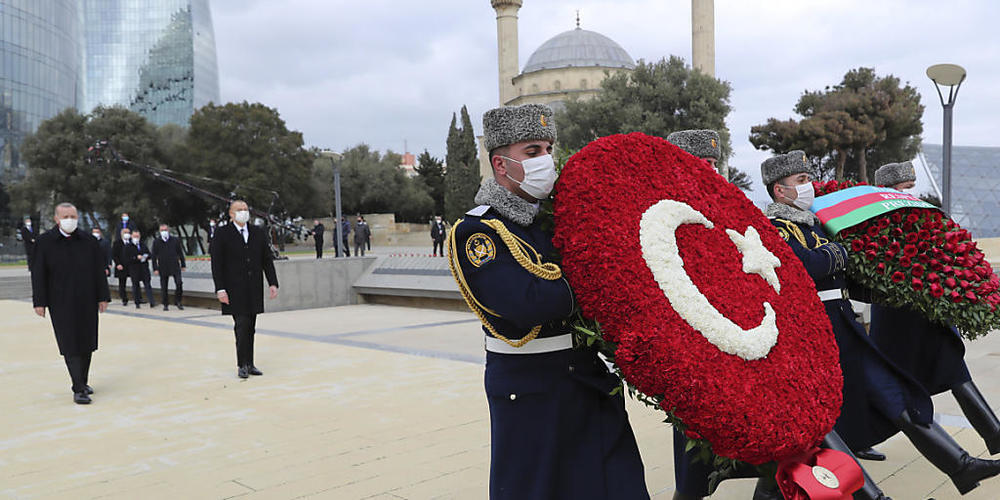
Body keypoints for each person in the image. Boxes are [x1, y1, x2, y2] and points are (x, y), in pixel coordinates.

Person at [761, 150, 1000, 497]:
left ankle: (960, 465)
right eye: (800, 182)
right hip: (817, 336)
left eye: (807, 179)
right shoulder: (776, 229)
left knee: (895, 396)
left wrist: (889, 291)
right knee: (827, 428)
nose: (808, 186)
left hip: (843, 329)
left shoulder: (812, 226)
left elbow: (840, 279)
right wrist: (838, 254)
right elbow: (809, 266)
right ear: (779, 191)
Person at [447, 103, 648, 499]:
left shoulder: (558, 220)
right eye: (532, 152)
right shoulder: (477, 231)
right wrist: (603, 277)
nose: (546, 161)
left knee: (620, 485)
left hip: (586, 379)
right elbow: (529, 303)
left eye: (548, 149)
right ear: (501, 165)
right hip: (531, 387)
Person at [869, 161, 1000, 456]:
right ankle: (858, 441)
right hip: (897, 317)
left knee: (953, 367)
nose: (909, 193)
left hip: (928, 314)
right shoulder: (874, 224)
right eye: (903, 188)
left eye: (909, 188)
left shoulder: (924, 216)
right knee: (885, 380)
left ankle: (994, 434)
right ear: (886, 191)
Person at [30, 203, 110, 404]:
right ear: (57, 219)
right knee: (70, 343)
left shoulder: (88, 241)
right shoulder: (44, 242)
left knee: (87, 341)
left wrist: (103, 296)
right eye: (65, 216)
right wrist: (40, 302)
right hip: (60, 301)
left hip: (87, 299)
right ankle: (78, 387)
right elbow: (38, 274)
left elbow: (98, 271)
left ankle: (83, 381)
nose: (70, 219)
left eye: (73, 215)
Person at [210, 200, 278, 379]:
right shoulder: (222, 233)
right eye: (239, 210)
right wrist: (220, 289)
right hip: (234, 289)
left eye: (246, 210)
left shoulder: (257, 232)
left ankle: (250, 363)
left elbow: (266, 259)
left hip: (253, 287)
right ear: (231, 214)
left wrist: (273, 282)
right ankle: (242, 364)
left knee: (251, 326)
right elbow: (217, 263)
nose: (243, 213)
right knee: (241, 325)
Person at [152, 224, 186, 311]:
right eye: (162, 230)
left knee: (179, 283)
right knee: (164, 286)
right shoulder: (156, 242)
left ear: (168, 230)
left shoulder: (175, 240)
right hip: (163, 266)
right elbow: (154, 256)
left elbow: (180, 253)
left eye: (165, 230)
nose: (164, 232)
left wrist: (183, 264)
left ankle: (178, 301)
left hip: (174, 265)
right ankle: (165, 303)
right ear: (160, 231)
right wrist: (155, 268)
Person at [125, 230, 156, 309]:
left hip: (144, 268)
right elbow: (126, 258)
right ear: (131, 236)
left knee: (147, 285)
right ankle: (137, 302)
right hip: (134, 269)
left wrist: (145, 256)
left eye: (137, 236)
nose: (136, 238)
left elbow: (149, 254)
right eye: (135, 236)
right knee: (135, 286)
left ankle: (152, 301)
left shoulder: (143, 245)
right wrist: (136, 257)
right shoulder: (128, 246)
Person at [112, 229, 132, 305]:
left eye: (128, 233)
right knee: (122, 283)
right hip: (121, 266)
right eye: (125, 233)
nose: (127, 234)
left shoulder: (132, 242)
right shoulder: (117, 243)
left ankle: (138, 298)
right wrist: (118, 264)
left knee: (135, 282)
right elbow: (114, 255)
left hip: (131, 266)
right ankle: (124, 299)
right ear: (121, 234)